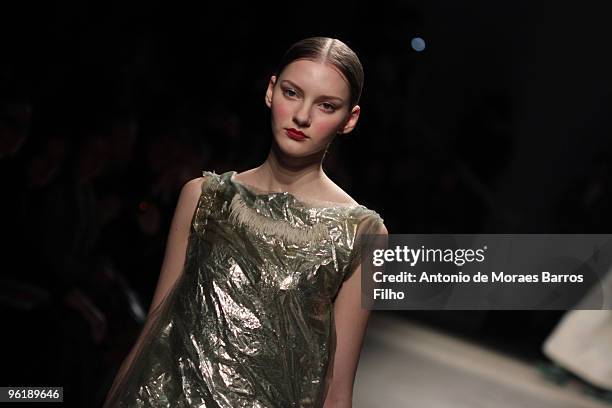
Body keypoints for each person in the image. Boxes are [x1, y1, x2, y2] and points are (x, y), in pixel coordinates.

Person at [103, 36, 387, 408]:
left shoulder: (361, 234)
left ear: (349, 120)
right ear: (270, 91)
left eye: (326, 105)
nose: (302, 116)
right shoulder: (204, 195)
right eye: (291, 93)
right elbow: (155, 328)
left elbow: (336, 387)